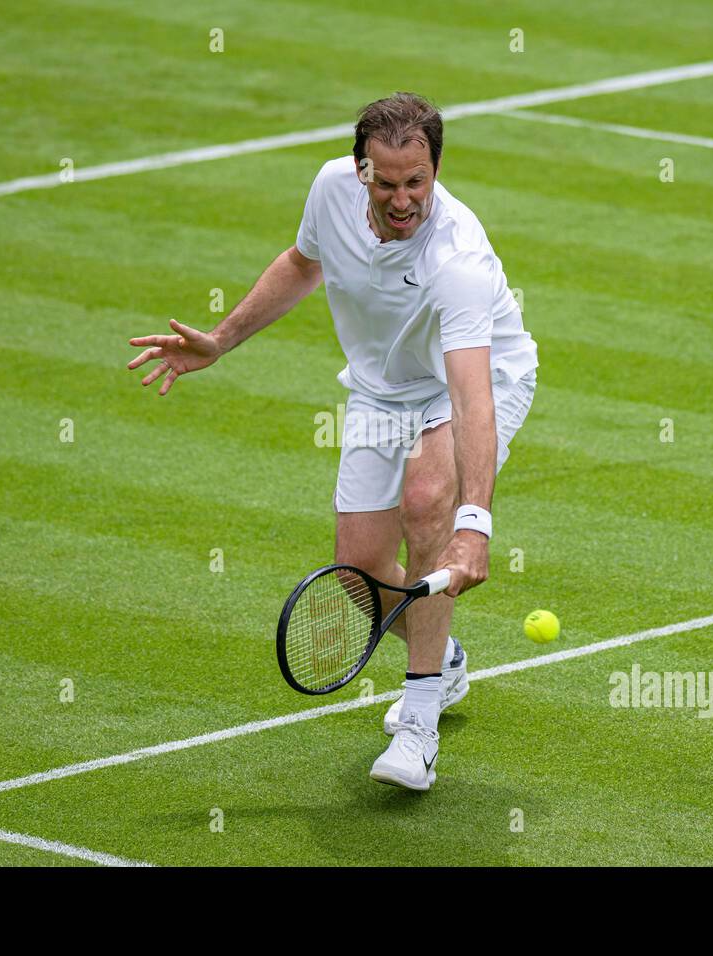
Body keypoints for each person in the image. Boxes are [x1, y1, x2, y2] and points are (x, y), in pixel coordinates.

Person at [128, 92, 538, 790]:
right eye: (387, 182)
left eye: (417, 182)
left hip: (469, 381)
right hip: (381, 391)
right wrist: (220, 341)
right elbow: (301, 263)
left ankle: (419, 721)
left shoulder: (458, 259)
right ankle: (444, 658)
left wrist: (476, 524)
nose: (403, 198)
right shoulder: (328, 190)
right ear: (360, 172)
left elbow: (471, 397)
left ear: (435, 170)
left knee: (428, 500)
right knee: (358, 578)